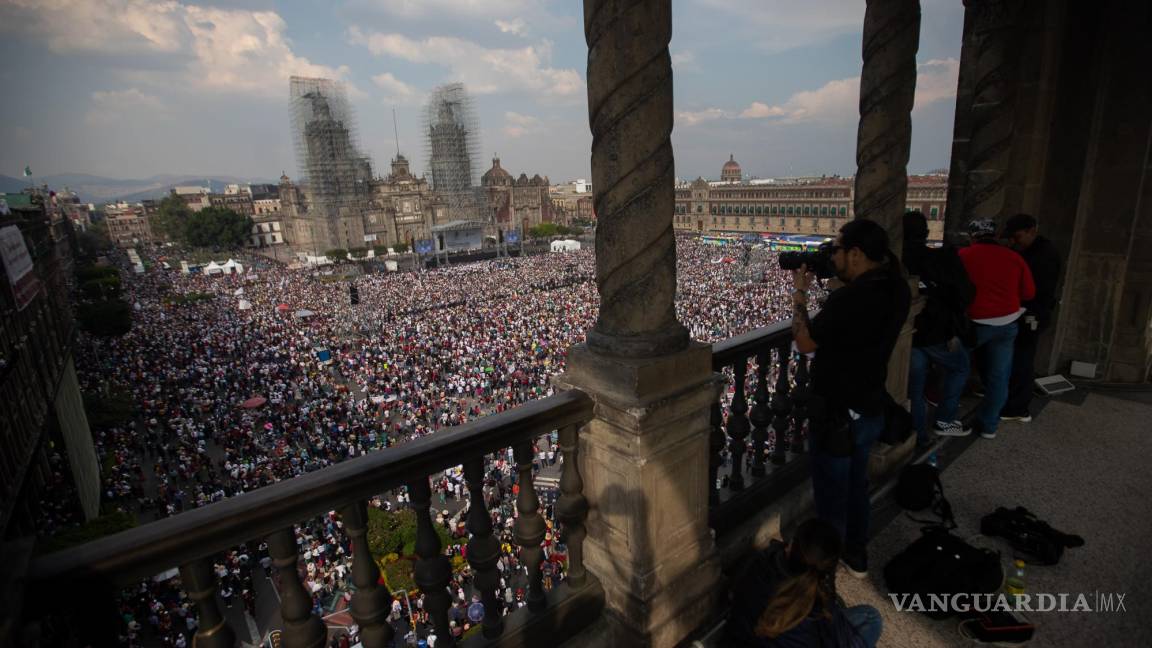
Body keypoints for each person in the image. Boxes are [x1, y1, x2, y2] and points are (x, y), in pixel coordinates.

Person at [791, 219, 912, 577]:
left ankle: (823, 573)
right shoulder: (897, 288)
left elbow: (806, 343)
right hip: (870, 405)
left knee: (830, 497)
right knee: (857, 487)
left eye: (838, 250)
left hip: (837, 414)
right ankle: (856, 555)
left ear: (856, 254)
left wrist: (800, 293)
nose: (833, 257)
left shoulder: (851, 299)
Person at [725, 518, 883, 647]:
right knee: (871, 617)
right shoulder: (819, 610)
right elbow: (840, 639)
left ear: (791, 546)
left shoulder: (760, 563)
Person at [901, 211, 975, 447]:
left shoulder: (896, 260)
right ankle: (944, 420)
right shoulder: (942, 259)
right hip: (938, 333)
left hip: (910, 335)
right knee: (961, 368)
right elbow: (966, 294)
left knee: (915, 389)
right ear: (926, 233)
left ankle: (919, 437)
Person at [957, 219, 1035, 440]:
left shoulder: (963, 256)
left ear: (972, 236)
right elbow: (1029, 293)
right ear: (996, 235)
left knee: (957, 371)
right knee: (999, 377)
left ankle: (948, 420)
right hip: (1007, 323)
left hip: (973, 324)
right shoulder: (1015, 258)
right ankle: (990, 426)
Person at [1001, 214, 1062, 422]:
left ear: (1031, 231)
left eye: (1016, 237)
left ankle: (1018, 408)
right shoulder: (1034, 251)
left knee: (1022, 359)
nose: (1013, 242)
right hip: (1026, 312)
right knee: (1019, 357)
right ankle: (1011, 400)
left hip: (1032, 314)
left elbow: (1034, 291)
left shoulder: (1043, 255)